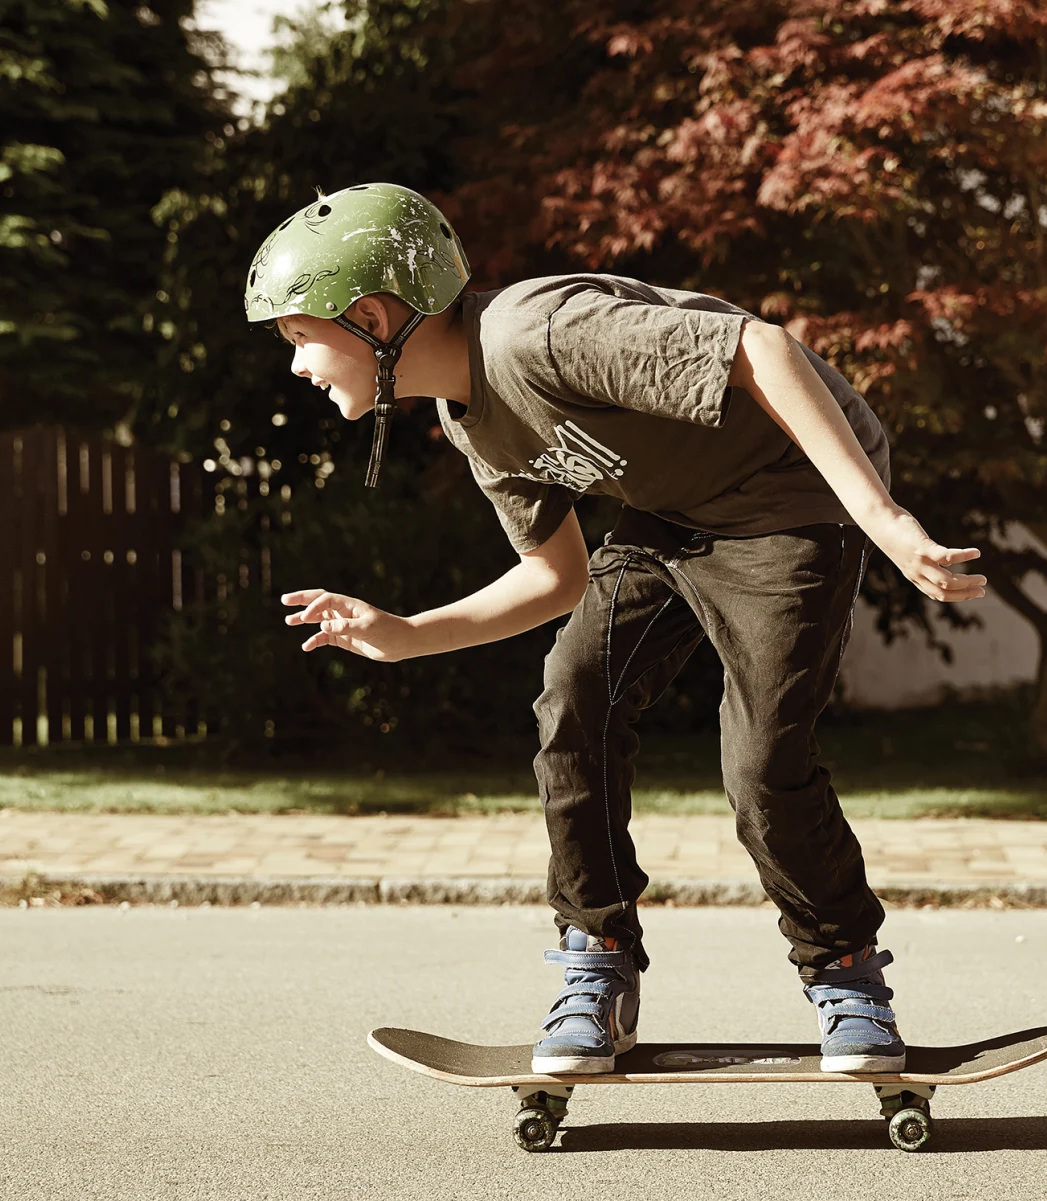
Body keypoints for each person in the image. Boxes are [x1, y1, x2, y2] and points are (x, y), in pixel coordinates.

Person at [245, 183, 986, 1074]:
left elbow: (763, 349)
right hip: (672, 516)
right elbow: (554, 577)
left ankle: (846, 969)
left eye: (299, 338)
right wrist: (408, 632)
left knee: (762, 766)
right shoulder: (470, 419)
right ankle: (598, 959)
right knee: (573, 705)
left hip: (794, 500)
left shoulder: (534, 335)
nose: (295, 366)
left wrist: (884, 518)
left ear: (370, 316)